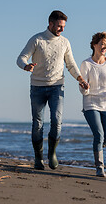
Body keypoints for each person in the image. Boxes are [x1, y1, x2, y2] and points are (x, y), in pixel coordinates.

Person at [17, 10, 89, 170]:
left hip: (57, 86)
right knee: (38, 124)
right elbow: (21, 57)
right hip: (37, 87)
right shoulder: (37, 39)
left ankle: (52, 154)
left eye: (63, 26)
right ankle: (38, 158)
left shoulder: (65, 42)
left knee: (57, 122)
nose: (62, 29)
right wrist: (26, 66)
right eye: (59, 26)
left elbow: (70, 64)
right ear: (50, 24)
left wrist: (80, 79)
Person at [79, 32, 106, 177]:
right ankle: (99, 167)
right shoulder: (86, 64)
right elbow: (82, 84)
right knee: (99, 134)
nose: (105, 47)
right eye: (102, 44)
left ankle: (97, 148)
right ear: (94, 45)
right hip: (91, 102)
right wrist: (84, 87)